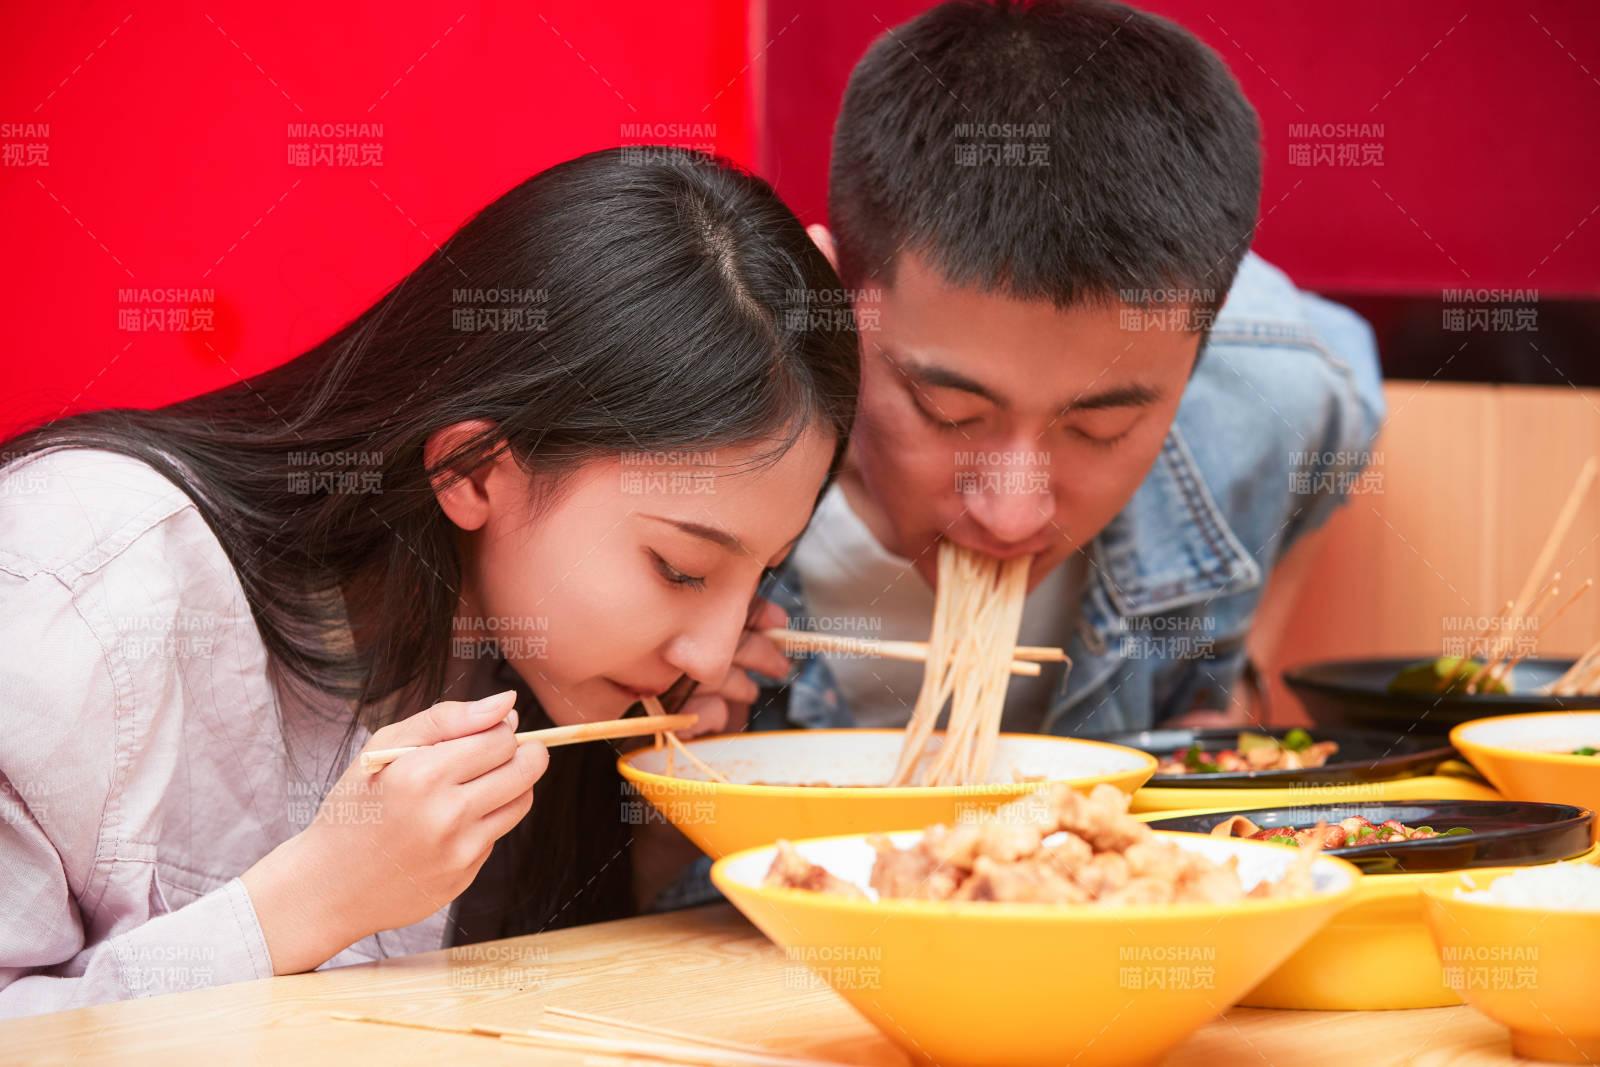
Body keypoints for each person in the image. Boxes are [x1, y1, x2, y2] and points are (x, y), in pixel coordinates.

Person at [0, 146, 858, 1016]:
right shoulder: (80, 581)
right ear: (476, 468)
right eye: (683, 568)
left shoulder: (531, 675)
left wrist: (670, 820)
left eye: (761, 572)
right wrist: (309, 901)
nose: (713, 655)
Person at [737, 0, 1385, 739]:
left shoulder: (1268, 376)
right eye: (950, 412)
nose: (1011, 515)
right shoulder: (699, 440)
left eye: (1099, 426)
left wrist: (1244, 680)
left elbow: (1340, 393)